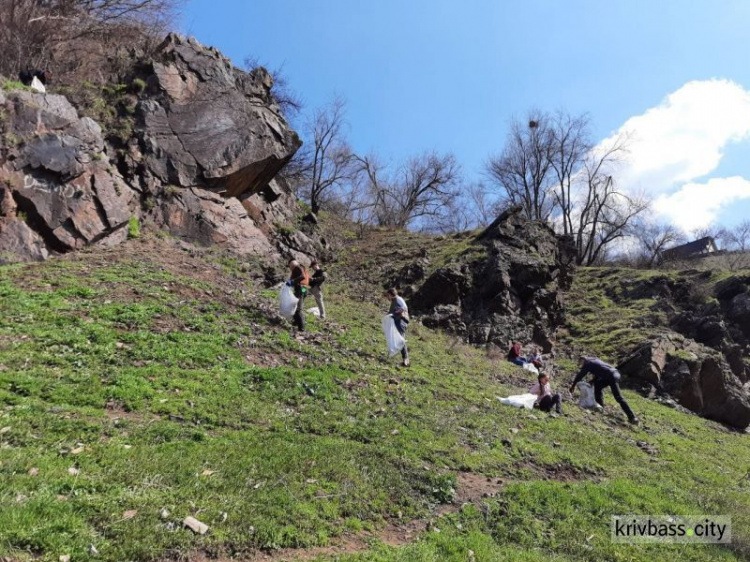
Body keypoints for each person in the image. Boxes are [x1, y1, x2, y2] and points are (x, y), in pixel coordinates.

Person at [569, 356, 639, 424]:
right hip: (613, 373)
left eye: (581, 363)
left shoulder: (588, 363)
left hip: (611, 375)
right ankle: (600, 408)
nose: (582, 365)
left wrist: (573, 385)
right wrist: (592, 381)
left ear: (583, 360)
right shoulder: (594, 360)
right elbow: (600, 371)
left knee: (618, 397)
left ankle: (632, 417)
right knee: (598, 386)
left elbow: (580, 375)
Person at [386, 287, 410, 367]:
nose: (387, 297)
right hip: (397, 322)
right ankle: (393, 354)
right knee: (397, 338)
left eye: (388, 295)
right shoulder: (393, 301)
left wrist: (397, 312)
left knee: (401, 339)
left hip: (401, 321)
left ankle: (406, 360)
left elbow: (404, 307)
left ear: (390, 294)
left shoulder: (398, 299)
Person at [287, 259, 309, 332]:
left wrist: (292, 282)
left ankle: (302, 329)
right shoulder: (301, 268)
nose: (290, 267)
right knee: (294, 306)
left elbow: (301, 277)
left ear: (291, 265)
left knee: (298, 309)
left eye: (290, 265)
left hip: (300, 290)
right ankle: (295, 323)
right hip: (303, 290)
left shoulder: (297, 268)